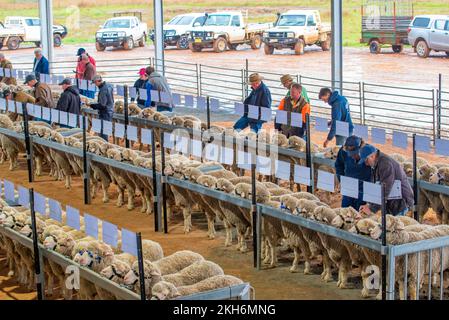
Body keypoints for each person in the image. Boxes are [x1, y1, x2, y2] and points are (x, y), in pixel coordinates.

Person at [358, 144, 414, 216]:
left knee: (394, 225)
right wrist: (368, 204)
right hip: (391, 200)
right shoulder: (375, 164)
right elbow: (376, 185)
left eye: (366, 161)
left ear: (372, 156)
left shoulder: (385, 164)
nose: (366, 164)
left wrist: (372, 208)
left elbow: (385, 188)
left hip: (400, 202)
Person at [334, 136, 372, 210]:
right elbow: (338, 165)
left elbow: (378, 171)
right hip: (349, 188)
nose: (351, 156)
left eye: (354, 154)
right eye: (350, 154)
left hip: (363, 190)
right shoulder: (343, 151)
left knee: (360, 216)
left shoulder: (370, 152)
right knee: (345, 212)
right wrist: (342, 179)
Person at [89, 75, 114, 141]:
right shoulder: (109, 85)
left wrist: (92, 105)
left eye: (95, 83)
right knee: (105, 131)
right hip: (110, 110)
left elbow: (102, 105)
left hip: (105, 113)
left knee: (103, 133)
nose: (95, 85)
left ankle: (104, 145)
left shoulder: (103, 90)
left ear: (97, 81)